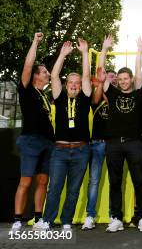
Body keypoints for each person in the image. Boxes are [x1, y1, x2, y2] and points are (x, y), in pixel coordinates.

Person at [92, 38, 142, 233]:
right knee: (115, 182)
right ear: (118, 82)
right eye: (120, 79)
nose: (123, 81)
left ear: (131, 79)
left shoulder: (139, 94)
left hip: (134, 143)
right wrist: (104, 49)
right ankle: (116, 217)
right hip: (113, 144)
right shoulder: (111, 93)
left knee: (139, 181)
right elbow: (101, 71)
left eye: (125, 78)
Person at [33, 39, 91, 231]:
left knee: (73, 190)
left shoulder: (85, 97)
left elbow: (86, 76)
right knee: (55, 188)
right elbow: (55, 75)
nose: (74, 85)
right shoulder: (59, 97)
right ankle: (48, 221)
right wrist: (63, 55)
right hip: (59, 150)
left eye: (77, 83)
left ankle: (66, 220)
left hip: (81, 150)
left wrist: (84, 53)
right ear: (66, 85)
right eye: (71, 83)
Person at [12, 33, 54, 232]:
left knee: (43, 181)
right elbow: (28, 65)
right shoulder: (27, 90)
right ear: (36, 75)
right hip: (30, 141)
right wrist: (35, 42)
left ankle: (39, 219)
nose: (47, 73)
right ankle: (17, 220)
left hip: (47, 142)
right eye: (44, 71)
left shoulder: (44, 95)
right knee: (26, 181)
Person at [82, 39, 114, 230]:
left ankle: (113, 215)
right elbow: (99, 72)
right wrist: (104, 49)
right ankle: (90, 215)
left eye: (113, 78)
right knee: (94, 180)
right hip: (96, 143)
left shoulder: (118, 101)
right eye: (108, 77)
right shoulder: (95, 100)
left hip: (112, 144)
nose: (109, 79)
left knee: (113, 181)